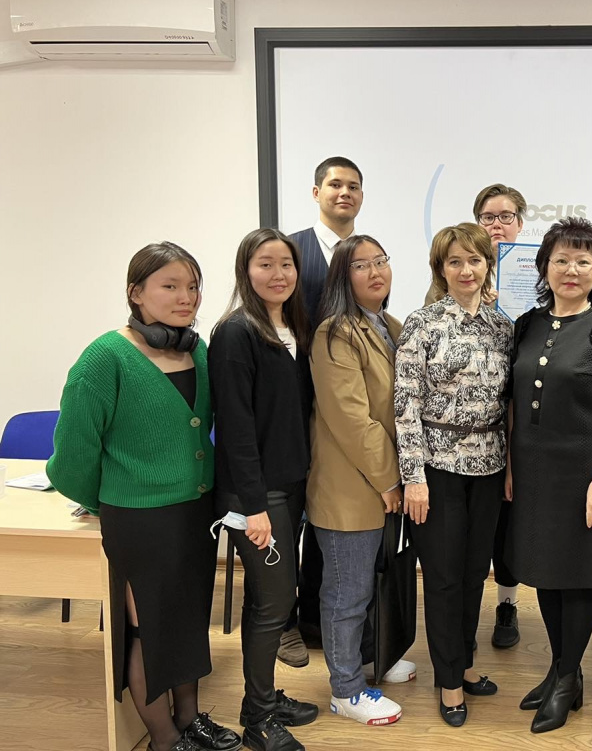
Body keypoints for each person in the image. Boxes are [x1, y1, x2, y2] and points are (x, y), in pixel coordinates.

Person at [47, 242, 241, 751]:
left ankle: (190, 719)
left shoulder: (196, 349)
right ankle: (163, 736)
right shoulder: (104, 358)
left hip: (195, 510)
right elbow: (70, 459)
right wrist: (111, 499)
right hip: (138, 519)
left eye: (193, 286)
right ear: (136, 292)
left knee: (188, 621)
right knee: (149, 628)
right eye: (170, 286)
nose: (186, 297)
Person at [506, 217, 592, 734]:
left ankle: (565, 678)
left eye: (583, 261)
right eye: (561, 259)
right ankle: (563, 671)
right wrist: (510, 466)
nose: (571, 269)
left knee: (578, 575)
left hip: (584, 471)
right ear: (544, 267)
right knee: (545, 571)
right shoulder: (527, 324)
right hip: (534, 470)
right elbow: (513, 403)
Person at [394, 223, 514, 727]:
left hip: (488, 466)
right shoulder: (422, 324)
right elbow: (405, 405)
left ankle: (462, 663)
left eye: (475, 260)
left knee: (473, 575)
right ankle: (448, 683)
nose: (467, 270)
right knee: (443, 579)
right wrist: (413, 477)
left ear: (489, 265)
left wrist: (510, 467)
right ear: (440, 269)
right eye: (455, 262)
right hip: (437, 469)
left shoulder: (502, 327)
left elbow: (507, 403)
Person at [210, 229, 319, 751]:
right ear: (245, 271)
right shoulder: (236, 333)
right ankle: (257, 719)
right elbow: (235, 427)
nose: (279, 274)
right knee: (273, 606)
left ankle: (266, 698)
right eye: (265, 264)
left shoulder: (293, 327)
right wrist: (254, 507)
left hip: (288, 488)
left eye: (287, 264)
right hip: (255, 497)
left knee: (269, 599)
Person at [306, 234, 405, 727]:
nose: (375, 271)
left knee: (370, 585)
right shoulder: (335, 333)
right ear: (342, 277)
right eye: (361, 265)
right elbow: (352, 420)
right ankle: (345, 689)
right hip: (351, 487)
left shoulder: (390, 325)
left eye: (380, 261)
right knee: (347, 594)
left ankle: (369, 661)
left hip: (384, 482)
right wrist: (390, 480)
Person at [423, 183, 527, 649]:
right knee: (450, 568)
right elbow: (411, 400)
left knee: (490, 551)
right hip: (443, 459)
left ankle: (503, 610)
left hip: (497, 450)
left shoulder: (528, 287)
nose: (497, 224)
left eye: (506, 216)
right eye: (488, 216)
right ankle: (452, 669)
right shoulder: (429, 316)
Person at [280, 156, 365, 668]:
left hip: (346, 411)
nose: (344, 192)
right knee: (289, 520)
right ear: (316, 193)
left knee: (329, 518)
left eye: (353, 186)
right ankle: (284, 623)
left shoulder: (364, 254)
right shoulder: (290, 251)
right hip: (296, 404)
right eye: (335, 184)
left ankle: (316, 617)